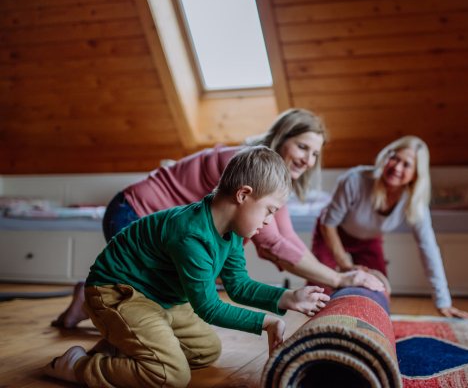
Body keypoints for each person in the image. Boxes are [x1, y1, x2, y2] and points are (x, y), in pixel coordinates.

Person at [52, 108, 384, 328]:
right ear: (282, 138)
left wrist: (340, 274)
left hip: (174, 229)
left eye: (316, 153)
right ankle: (101, 308)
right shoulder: (244, 165)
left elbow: (286, 239)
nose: (309, 160)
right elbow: (273, 243)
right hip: (133, 211)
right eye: (303, 147)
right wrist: (339, 280)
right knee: (149, 295)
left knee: (170, 296)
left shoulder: (270, 178)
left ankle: (90, 301)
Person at [44, 146, 331, 387]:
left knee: (207, 351)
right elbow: (209, 308)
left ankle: (119, 345)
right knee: (171, 375)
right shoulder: (191, 235)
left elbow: (238, 285)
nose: (269, 221)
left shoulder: (231, 233)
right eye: (269, 210)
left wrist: (287, 298)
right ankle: (77, 366)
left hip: (163, 298)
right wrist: (267, 322)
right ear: (243, 195)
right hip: (118, 292)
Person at [311, 136, 468, 319]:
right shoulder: (354, 179)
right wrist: (346, 266)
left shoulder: (414, 200)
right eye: (394, 158)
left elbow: (428, 247)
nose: (397, 167)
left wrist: (443, 302)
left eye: (407, 165)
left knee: (378, 288)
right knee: (319, 289)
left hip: (369, 239)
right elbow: (329, 224)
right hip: (331, 232)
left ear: (416, 174)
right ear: (385, 157)